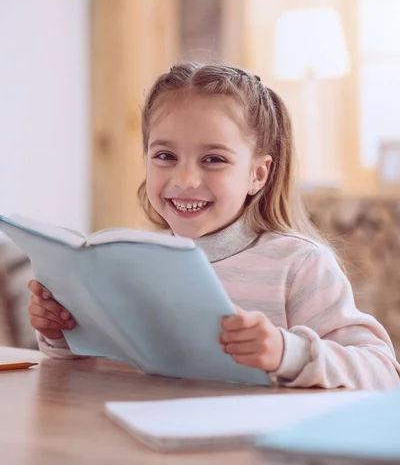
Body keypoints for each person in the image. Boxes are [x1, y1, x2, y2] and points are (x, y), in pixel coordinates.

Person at [28, 63, 400, 388]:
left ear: (257, 174)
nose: (186, 179)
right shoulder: (125, 259)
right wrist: (61, 332)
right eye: (165, 156)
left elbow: (382, 371)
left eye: (213, 159)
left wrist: (288, 352)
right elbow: (97, 370)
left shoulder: (298, 264)